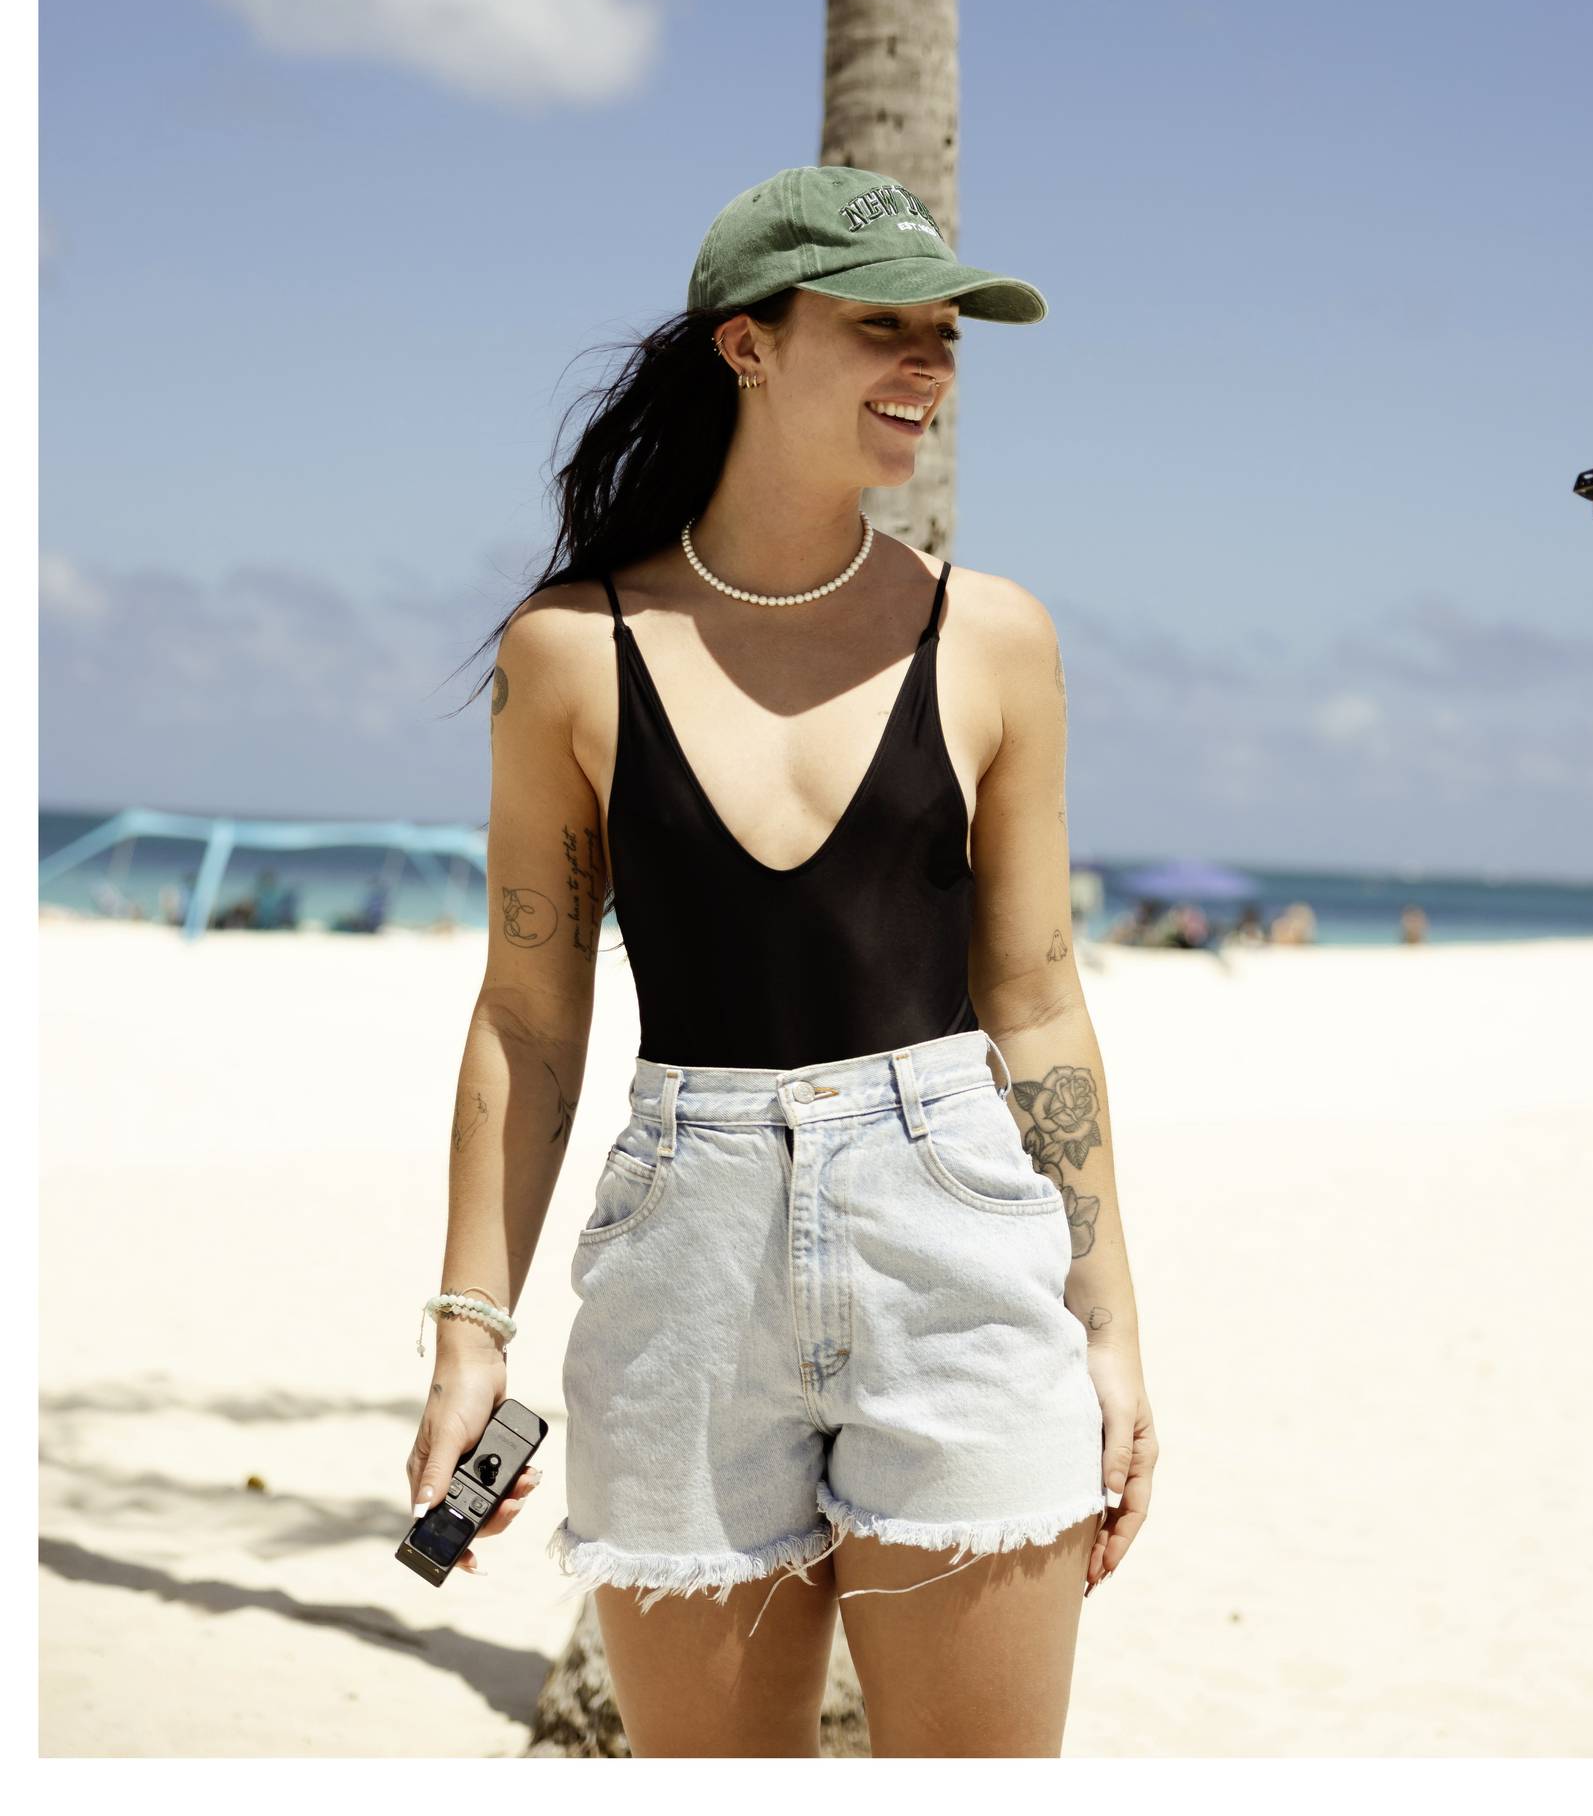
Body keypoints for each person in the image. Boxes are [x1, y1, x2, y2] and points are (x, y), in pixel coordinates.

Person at [407, 168, 1156, 1758]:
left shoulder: (991, 636)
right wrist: (472, 1328)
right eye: (882, 326)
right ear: (746, 347)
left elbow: (1032, 998)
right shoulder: (571, 650)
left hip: (953, 1240)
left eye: (946, 334)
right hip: (686, 1254)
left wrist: (1106, 1317)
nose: (930, 366)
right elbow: (531, 1016)